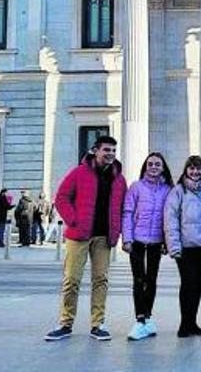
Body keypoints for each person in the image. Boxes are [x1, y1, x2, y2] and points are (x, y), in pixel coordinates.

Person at [45, 135, 127, 342]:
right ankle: (65, 323)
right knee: (72, 280)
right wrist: (73, 220)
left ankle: (97, 324)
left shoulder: (119, 178)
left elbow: (123, 207)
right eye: (106, 150)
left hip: (103, 237)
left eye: (113, 151)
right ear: (95, 150)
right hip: (79, 235)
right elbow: (61, 198)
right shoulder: (79, 172)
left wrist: (118, 232)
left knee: (101, 280)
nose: (110, 154)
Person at [164, 155, 201, 338]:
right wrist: (174, 246)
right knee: (188, 284)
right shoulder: (178, 191)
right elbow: (170, 220)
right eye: (191, 168)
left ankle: (192, 323)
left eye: (198, 168)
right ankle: (184, 324)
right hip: (186, 247)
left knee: (198, 284)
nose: (195, 172)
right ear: (186, 170)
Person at [121, 152, 173, 341]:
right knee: (138, 279)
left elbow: (169, 218)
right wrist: (126, 238)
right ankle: (140, 319)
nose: (153, 167)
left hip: (156, 241)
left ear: (162, 168)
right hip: (137, 241)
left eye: (157, 164)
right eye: (150, 164)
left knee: (151, 280)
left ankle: (148, 318)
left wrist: (167, 242)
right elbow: (127, 212)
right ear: (145, 167)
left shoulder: (167, 190)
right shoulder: (136, 187)